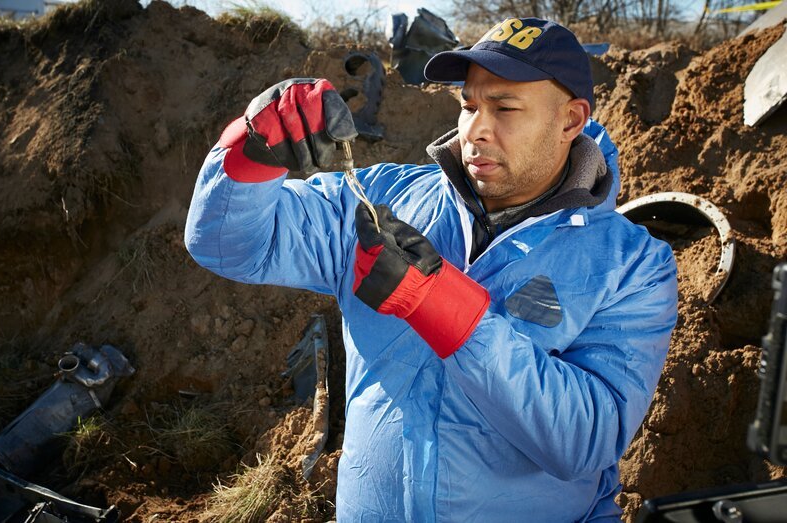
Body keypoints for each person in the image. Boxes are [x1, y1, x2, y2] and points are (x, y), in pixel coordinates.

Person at [185, 17, 678, 522]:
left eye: (504, 108)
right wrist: (250, 151)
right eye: (468, 105)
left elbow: (583, 442)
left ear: (570, 120)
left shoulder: (633, 266)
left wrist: (442, 306)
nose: (475, 129)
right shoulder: (384, 199)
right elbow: (228, 245)